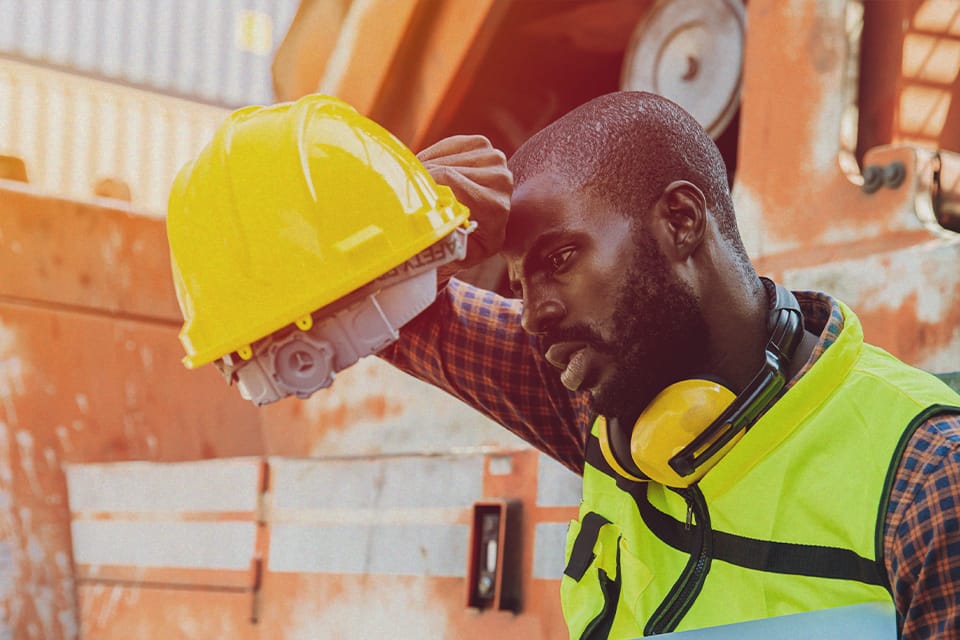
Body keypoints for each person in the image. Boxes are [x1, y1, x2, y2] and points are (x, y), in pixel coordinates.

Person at [383, 91, 960, 638]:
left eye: (559, 259)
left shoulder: (929, 480)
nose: (534, 316)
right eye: (518, 286)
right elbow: (373, 319)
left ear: (681, 221)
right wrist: (397, 220)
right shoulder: (600, 401)